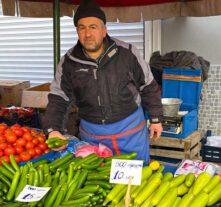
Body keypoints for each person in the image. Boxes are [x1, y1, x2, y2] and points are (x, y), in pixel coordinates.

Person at [43, 0, 163, 164]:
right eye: (82, 27)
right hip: (93, 136)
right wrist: (53, 129)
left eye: (93, 27)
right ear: (77, 31)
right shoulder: (68, 62)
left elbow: (148, 86)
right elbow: (58, 98)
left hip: (130, 132)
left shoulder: (127, 53)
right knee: (100, 182)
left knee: (137, 179)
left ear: (104, 30)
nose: (87, 34)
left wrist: (156, 119)